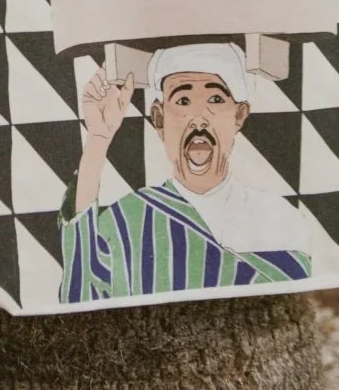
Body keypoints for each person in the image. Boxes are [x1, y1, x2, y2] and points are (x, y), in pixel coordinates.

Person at [58, 41, 312, 304]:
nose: (199, 118)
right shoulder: (127, 220)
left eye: (215, 99)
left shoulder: (281, 218)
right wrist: (98, 139)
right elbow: (81, 293)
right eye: (183, 100)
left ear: (239, 115)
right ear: (159, 118)